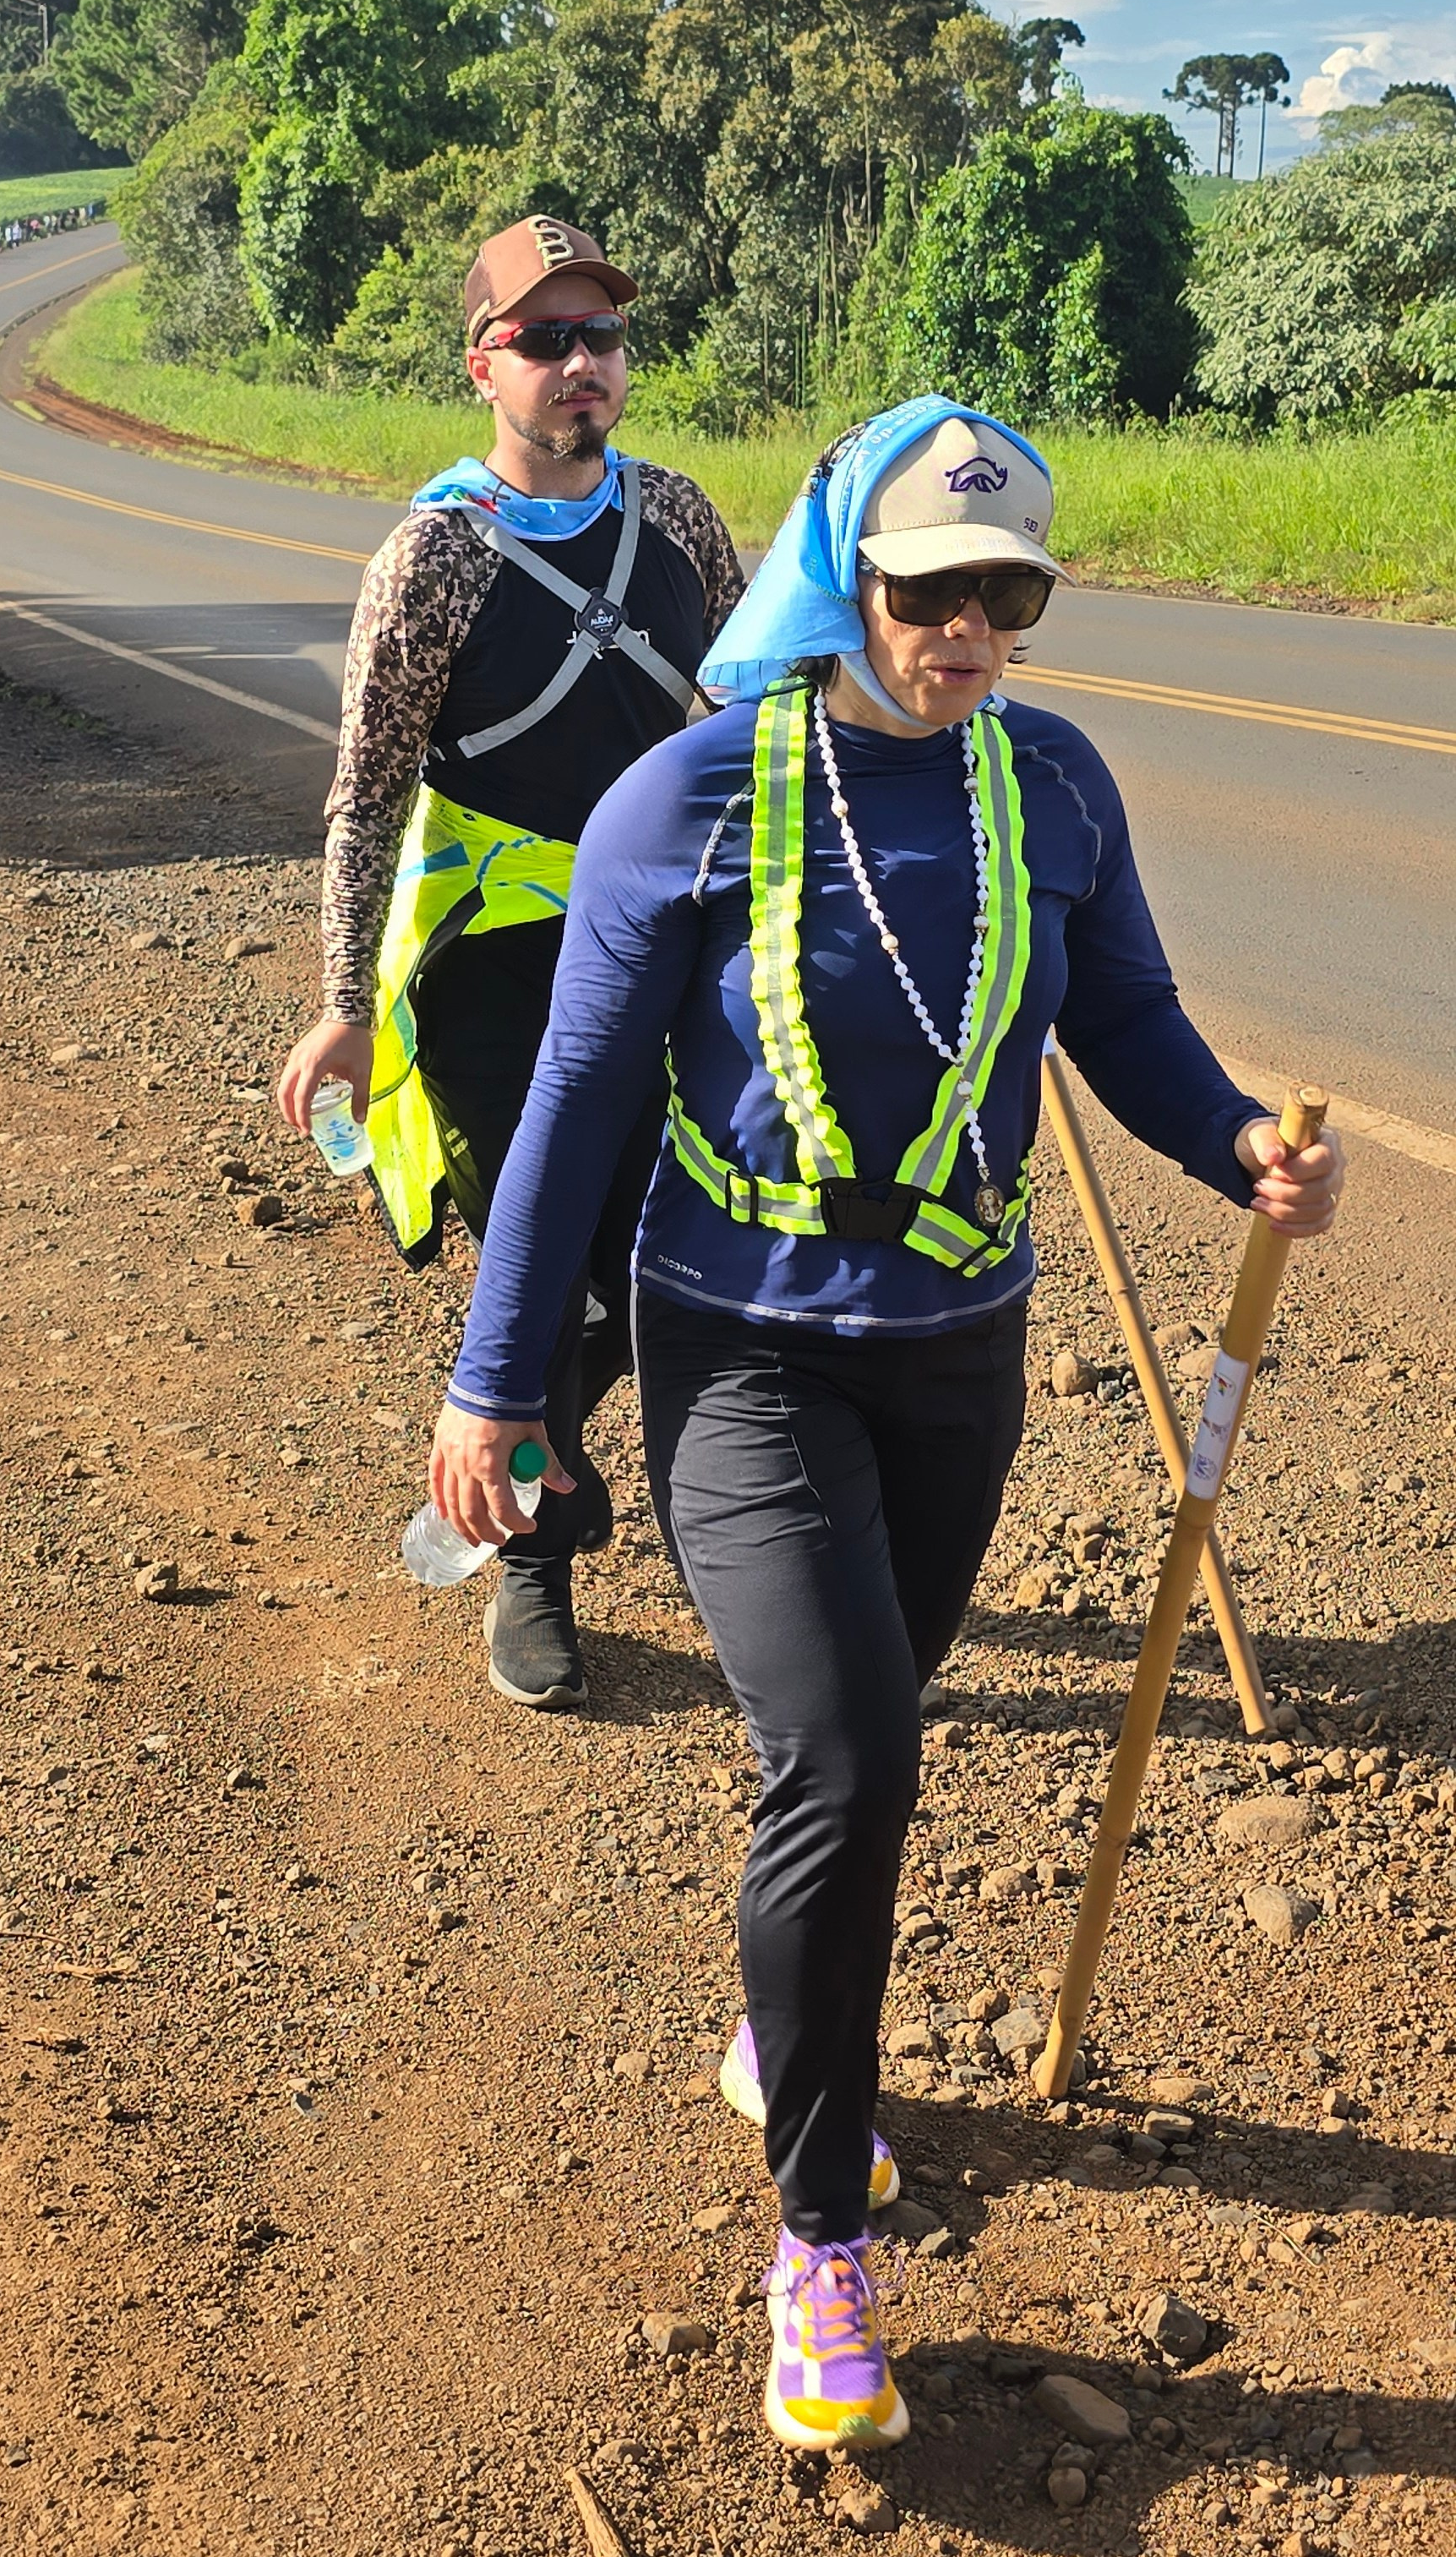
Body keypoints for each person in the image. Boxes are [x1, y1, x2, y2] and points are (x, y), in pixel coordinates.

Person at [425, 395, 1345, 2452]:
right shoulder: (688, 799)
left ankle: (788, 2013)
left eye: (1011, 596)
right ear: (848, 579)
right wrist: (492, 1380)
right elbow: (574, 1108)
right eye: (934, 595)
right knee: (849, 1750)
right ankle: (817, 2242)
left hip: (956, 1340)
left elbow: (1116, 1015)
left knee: (872, 1703)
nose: (971, 635)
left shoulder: (1048, 783)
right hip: (736, 1340)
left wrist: (1228, 1146)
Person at [278, 215, 742, 1712]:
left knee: (663, 1278)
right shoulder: (432, 557)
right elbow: (366, 792)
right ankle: (534, 1563)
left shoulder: (674, 517)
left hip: (673, 959)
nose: (581, 364)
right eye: (544, 339)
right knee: (543, 1280)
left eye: (601, 336)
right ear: (482, 364)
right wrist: (345, 1007)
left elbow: (743, 718)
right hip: (496, 979)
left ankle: (522, 1453)